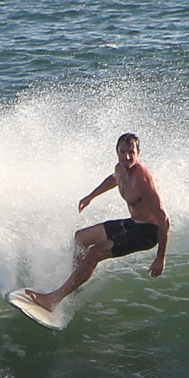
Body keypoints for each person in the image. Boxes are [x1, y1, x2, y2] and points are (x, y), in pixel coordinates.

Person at [23, 133, 169, 312]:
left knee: (95, 252)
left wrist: (160, 258)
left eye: (131, 152)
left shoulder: (145, 180)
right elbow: (114, 179)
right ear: (117, 151)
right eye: (123, 152)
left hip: (148, 232)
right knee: (81, 237)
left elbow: (164, 218)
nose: (127, 157)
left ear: (139, 152)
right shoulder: (121, 168)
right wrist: (91, 196)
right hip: (134, 223)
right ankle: (75, 284)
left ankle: (53, 299)